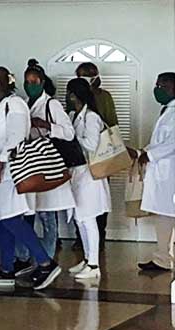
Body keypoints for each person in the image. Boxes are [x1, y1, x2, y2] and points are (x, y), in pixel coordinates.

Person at [0, 66, 63, 290]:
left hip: (9, 172)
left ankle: (45, 262)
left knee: (10, 219)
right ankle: (6, 268)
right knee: (4, 220)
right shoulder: (2, 106)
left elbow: (16, 137)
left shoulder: (14, 105)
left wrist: (1, 163)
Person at [24, 59, 76, 259]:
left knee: (48, 216)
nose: (31, 86)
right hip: (31, 165)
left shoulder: (51, 104)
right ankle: (33, 259)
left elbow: (69, 133)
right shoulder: (25, 103)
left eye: (35, 81)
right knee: (32, 213)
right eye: (28, 82)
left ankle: (47, 260)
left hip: (47, 164)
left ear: (43, 82)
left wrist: (46, 125)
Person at [64, 78, 112, 280]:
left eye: (69, 93)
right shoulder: (75, 115)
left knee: (88, 218)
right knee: (80, 218)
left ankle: (94, 265)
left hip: (89, 174)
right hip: (77, 173)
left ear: (75, 95)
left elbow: (91, 145)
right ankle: (86, 258)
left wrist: (70, 137)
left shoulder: (91, 117)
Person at [129, 73, 175, 271]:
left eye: (163, 86)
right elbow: (159, 142)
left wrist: (149, 155)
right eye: (157, 85)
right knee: (163, 215)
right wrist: (143, 152)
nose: (158, 89)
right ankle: (162, 258)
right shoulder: (167, 110)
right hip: (161, 173)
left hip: (173, 172)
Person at [75, 62, 116, 246]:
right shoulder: (75, 97)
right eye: (82, 74)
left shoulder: (104, 97)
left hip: (100, 154)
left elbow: (112, 124)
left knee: (98, 201)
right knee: (81, 204)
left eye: (90, 73)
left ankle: (100, 235)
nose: (86, 76)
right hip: (80, 161)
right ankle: (81, 239)